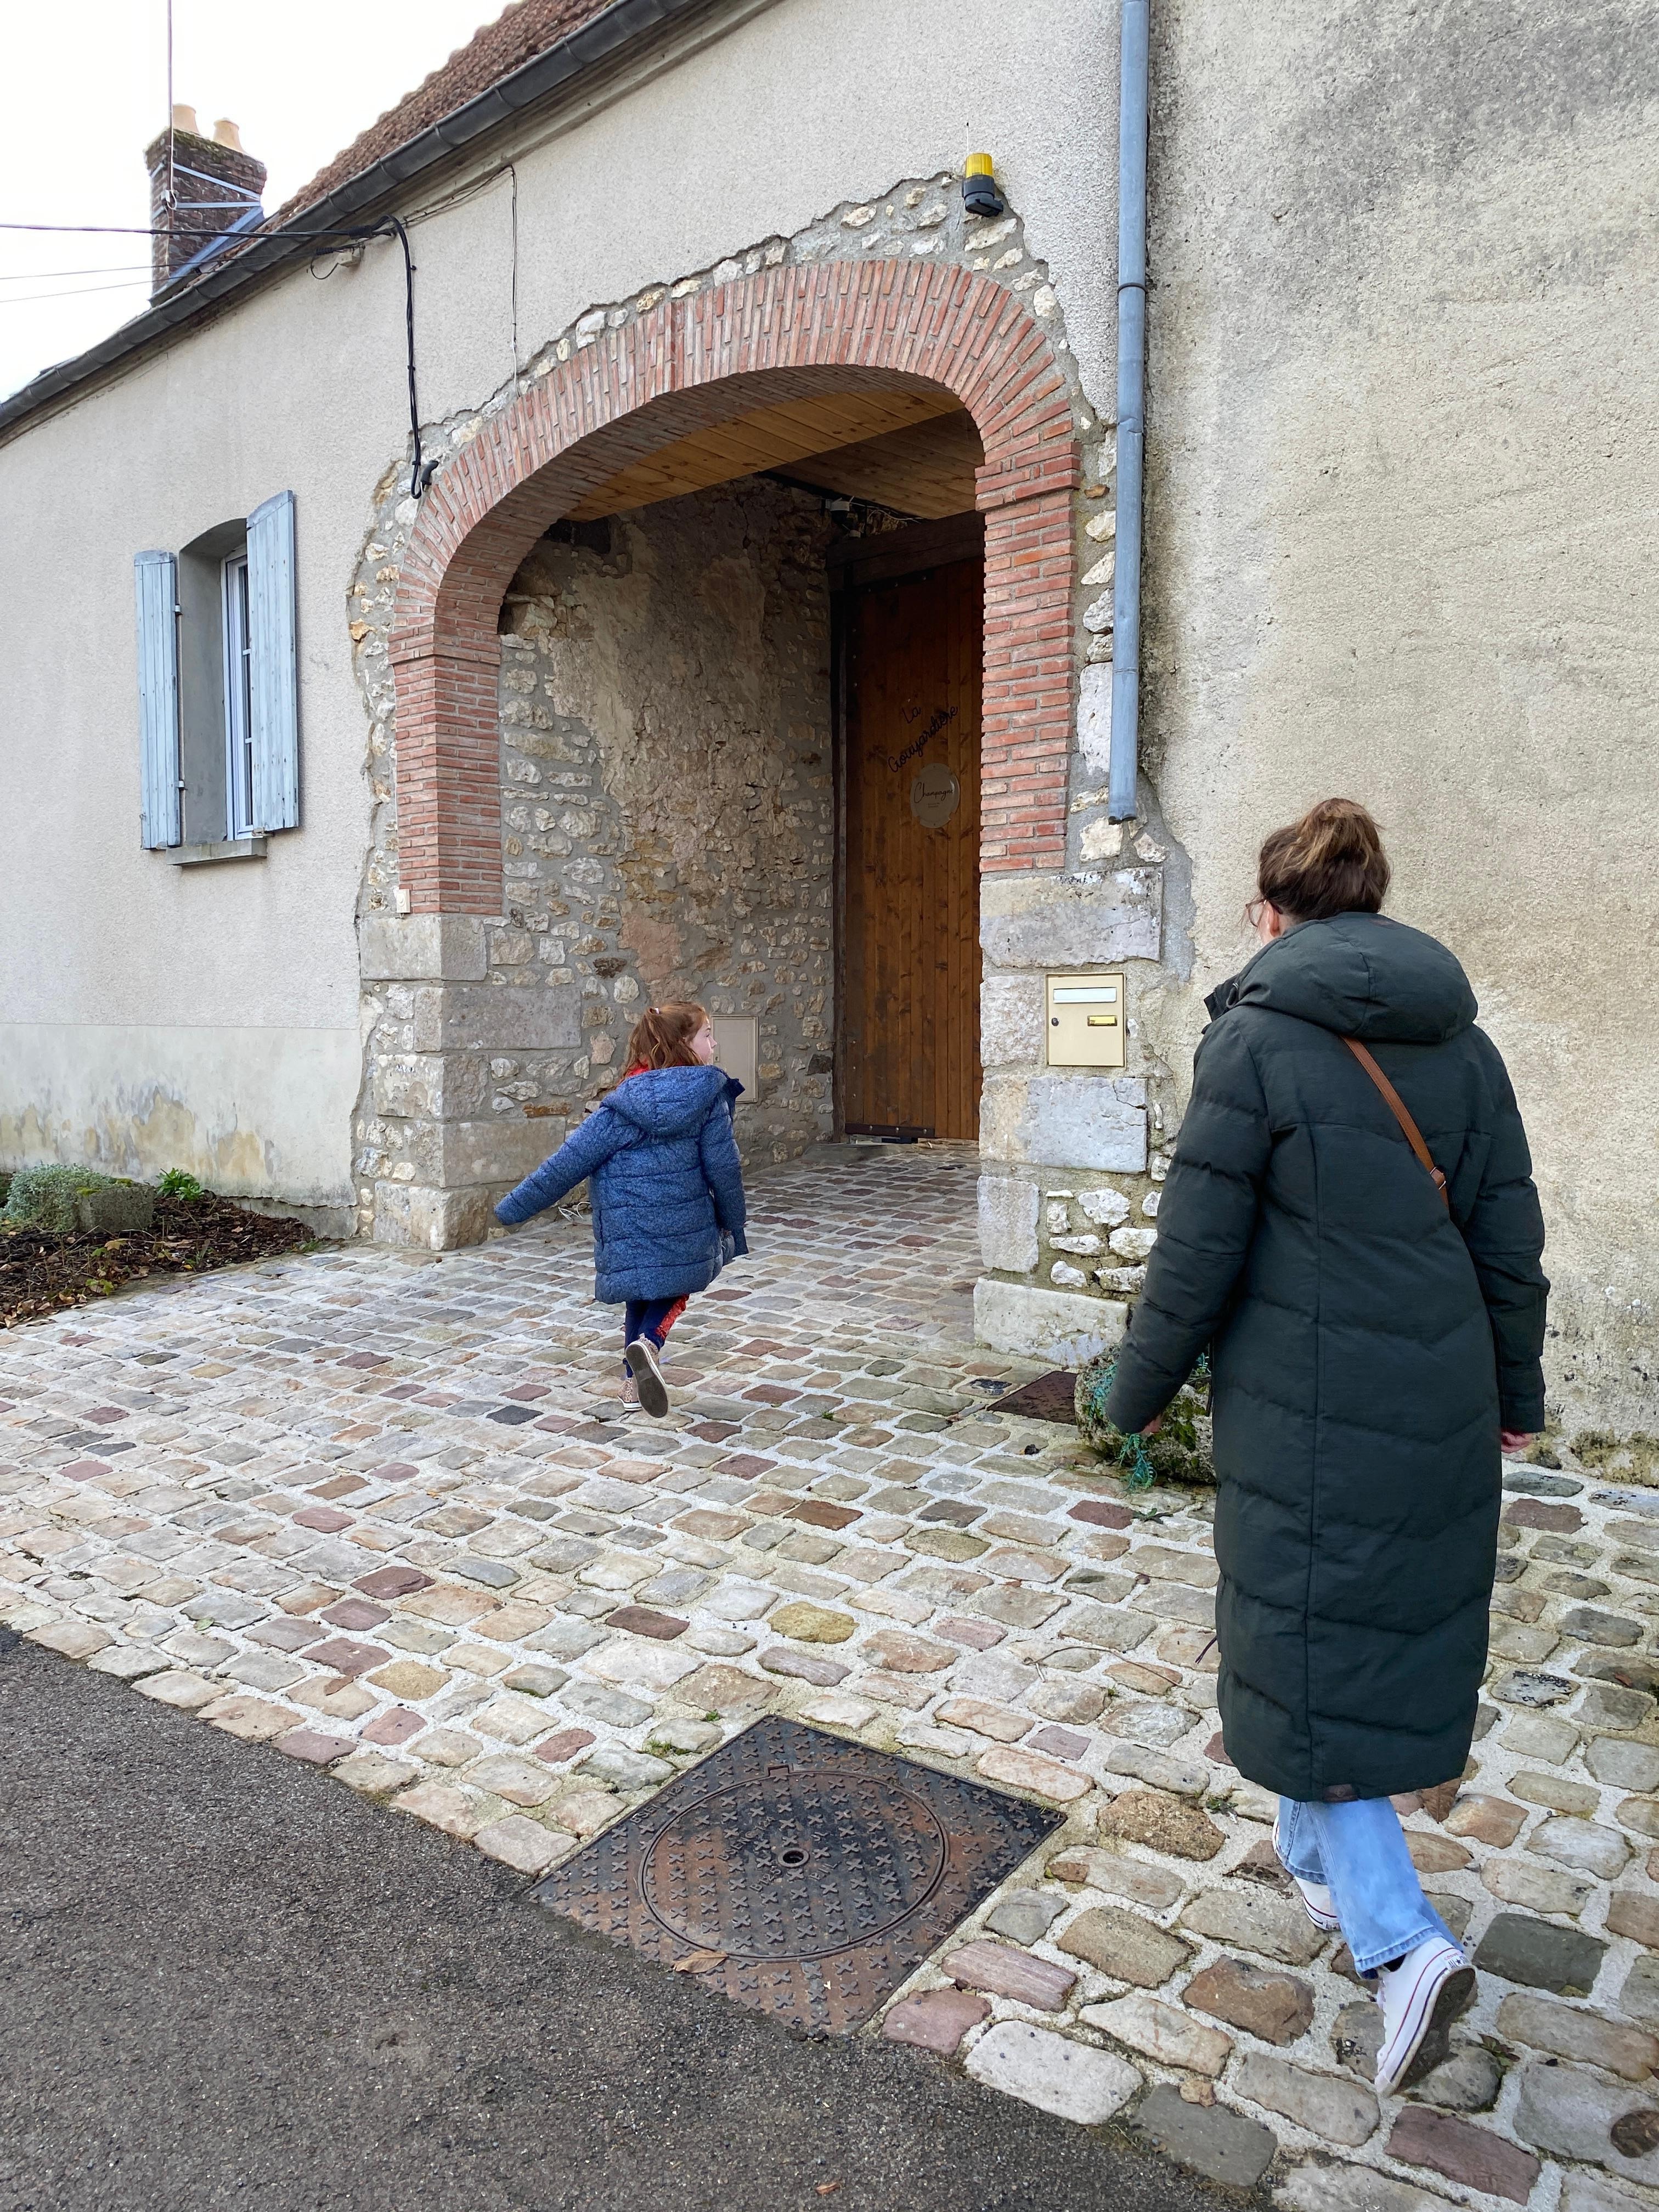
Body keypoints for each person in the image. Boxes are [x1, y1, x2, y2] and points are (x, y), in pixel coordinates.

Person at [1102, 797, 1548, 2096]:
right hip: (1440, 1384)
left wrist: (1131, 1396)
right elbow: (1505, 1240)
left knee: (1307, 1650)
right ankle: (1312, 1863)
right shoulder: (1465, 1046)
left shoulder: (1256, 1042)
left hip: (1309, 1400)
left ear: (1269, 912)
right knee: (1327, 1635)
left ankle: (1401, 1945)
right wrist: (1515, 1390)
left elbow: (1196, 1247)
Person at [493, 1003, 747, 1418]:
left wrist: (510, 1210)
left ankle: (632, 1386)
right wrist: (733, 1221)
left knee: (641, 1289)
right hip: (685, 1221)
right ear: (683, 1043)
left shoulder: (620, 1106)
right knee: (681, 1281)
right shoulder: (707, 1096)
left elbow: (566, 1164)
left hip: (628, 1223)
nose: (714, 1042)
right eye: (707, 1034)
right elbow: (724, 1166)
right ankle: (650, 1344)